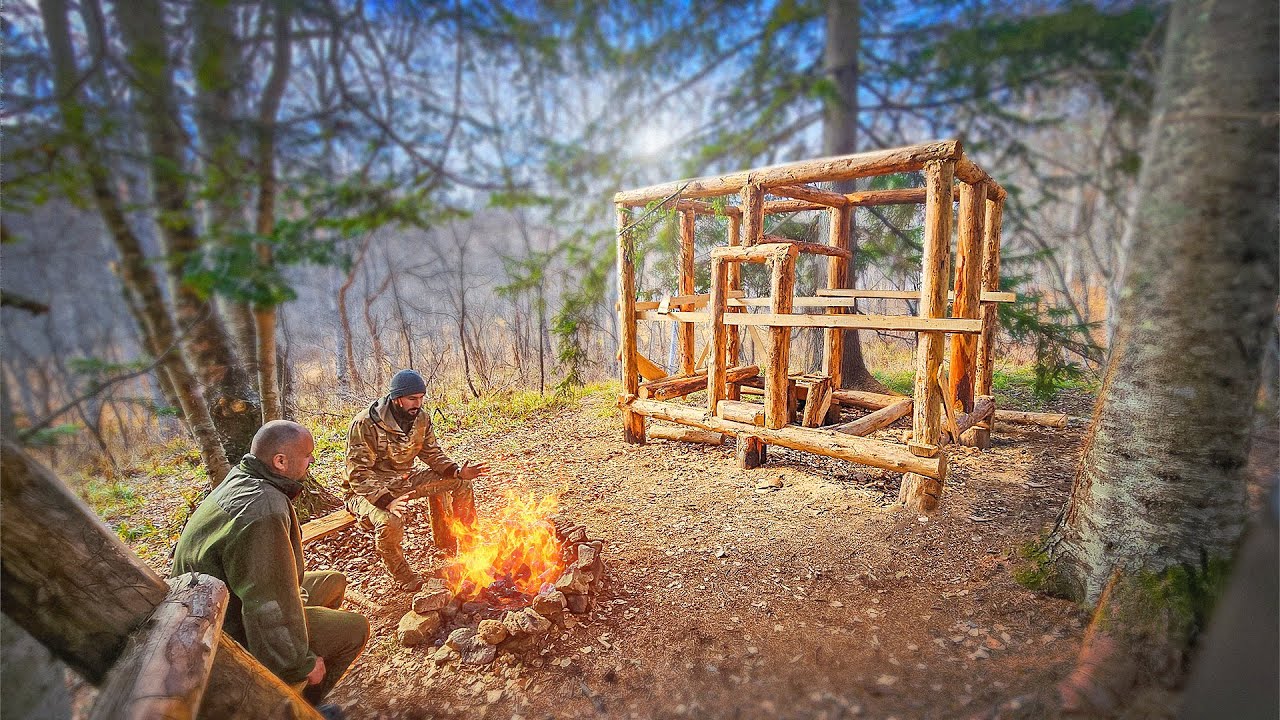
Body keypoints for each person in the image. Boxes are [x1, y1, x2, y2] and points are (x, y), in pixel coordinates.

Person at [172, 420, 369, 708]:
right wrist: (299, 663)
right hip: (223, 626)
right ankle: (294, 706)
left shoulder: (244, 478)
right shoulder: (263, 510)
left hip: (223, 597)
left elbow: (269, 582)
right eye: (307, 455)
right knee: (355, 628)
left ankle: (304, 651)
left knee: (332, 581)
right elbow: (266, 603)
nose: (312, 460)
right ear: (280, 461)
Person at [343, 369, 488, 592]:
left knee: (461, 483)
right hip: (365, 492)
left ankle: (470, 548)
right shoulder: (365, 424)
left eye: (421, 398)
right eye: (412, 399)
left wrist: (457, 471)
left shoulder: (420, 419)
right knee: (390, 520)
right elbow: (358, 474)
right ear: (397, 398)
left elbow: (432, 454)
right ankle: (404, 576)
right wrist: (386, 501)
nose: (418, 404)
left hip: (403, 481)